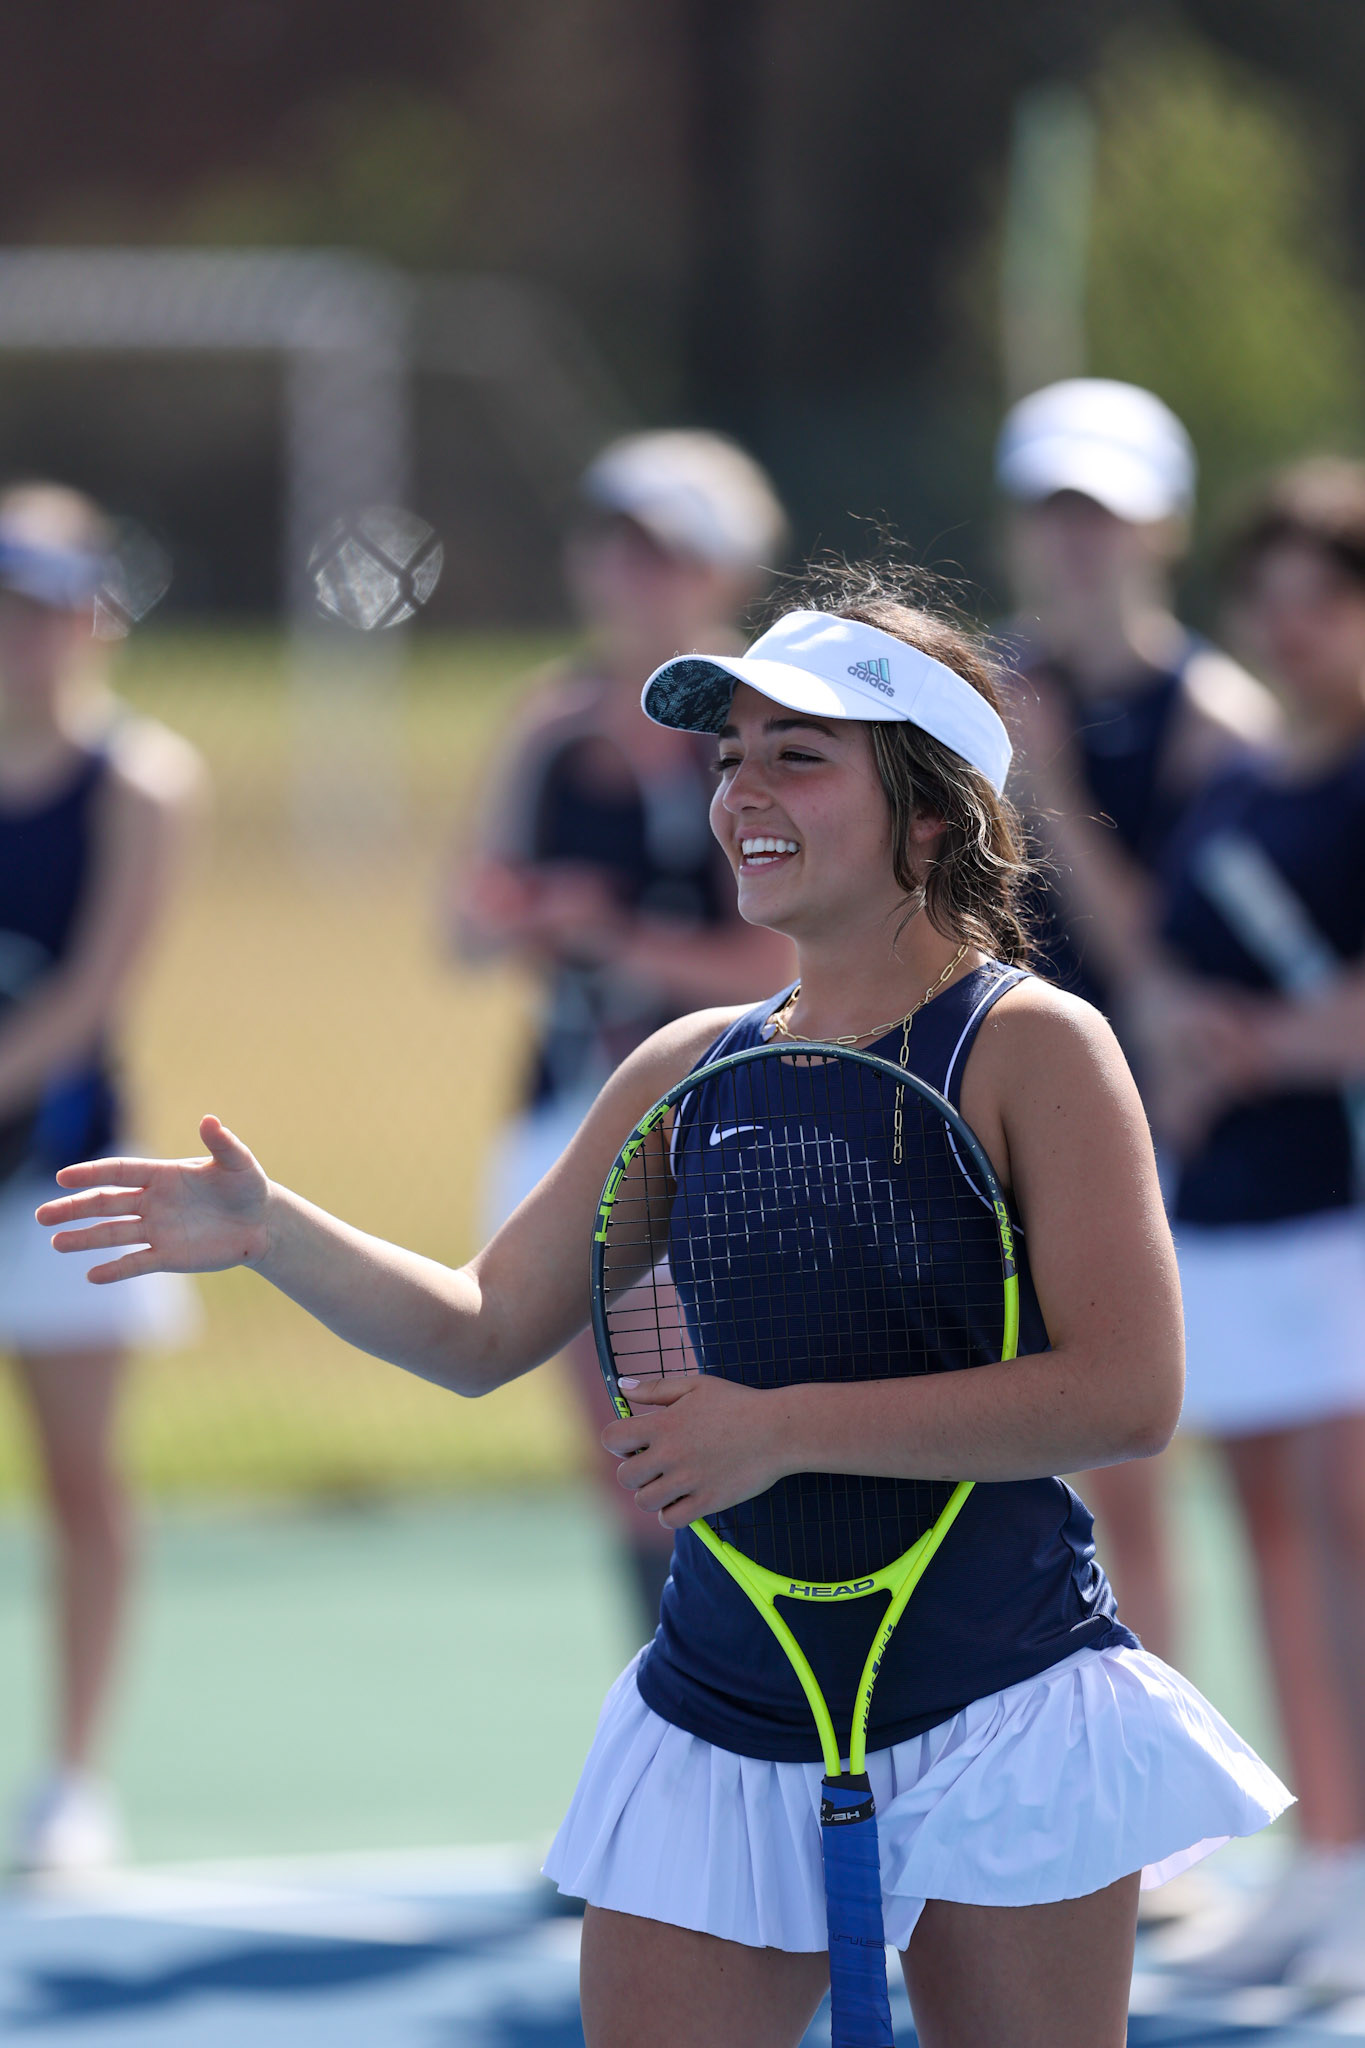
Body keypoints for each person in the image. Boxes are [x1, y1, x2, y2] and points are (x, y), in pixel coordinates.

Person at [39, 563, 1287, 2048]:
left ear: (933, 811)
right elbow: (480, 1329)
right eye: (728, 757)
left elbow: (1126, 1396)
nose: (741, 791)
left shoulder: (1033, 1047)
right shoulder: (684, 1068)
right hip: (721, 1702)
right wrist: (267, 1232)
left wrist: (777, 1432)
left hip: (1002, 1695)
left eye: (797, 755)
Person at [448, 430, 794, 1631]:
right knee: (622, 1449)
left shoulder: (775, 725)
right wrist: (526, 914)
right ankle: (676, 1707)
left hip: (736, 1125)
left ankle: (760, 1702)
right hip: (568, 1111)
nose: (633, 573)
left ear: (725, 567)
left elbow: (795, 951)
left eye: (665, 551)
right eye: (617, 544)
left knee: (712, 1431)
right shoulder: (549, 720)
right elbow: (466, 920)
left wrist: (624, 941)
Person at [995, 378, 1280, 1662]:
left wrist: (1043, 777)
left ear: (1161, 527)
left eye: (1104, 512)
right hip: (989, 1118)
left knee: (1135, 1475)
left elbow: (1161, 958)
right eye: (1054, 509)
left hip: (1145, 1132)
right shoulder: (986, 693)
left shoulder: (1216, 721)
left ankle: (1166, 1812)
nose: (1077, 539)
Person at [1137, 460, 1365, 1993]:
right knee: (1271, 1541)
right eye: (1268, 601)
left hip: (1341, 1216)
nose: (1290, 632)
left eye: (1323, 601)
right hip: (1227, 1220)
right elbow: (1166, 980)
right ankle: (1323, 1855)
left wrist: (1273, 1049)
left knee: (1351, 1541)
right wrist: (1190, 1068)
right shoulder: (1230, 784)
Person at [0, 483, 202, 1872]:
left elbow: (92, 989)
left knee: (79, 1476)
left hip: (62, 1178)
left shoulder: (141, 778)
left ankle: (72, 1778)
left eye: (44, 604)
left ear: (95, 617)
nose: (21, 632)